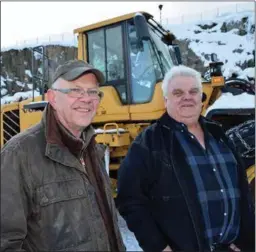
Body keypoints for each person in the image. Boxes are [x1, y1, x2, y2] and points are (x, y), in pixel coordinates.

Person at [116, 65, 255, 252]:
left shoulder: (218, 134)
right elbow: (130, 200)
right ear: (166, 100)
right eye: (178, 92)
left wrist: (245, 240)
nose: (187, 97)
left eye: (193, 91)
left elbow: (242, 192)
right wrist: (158, 246)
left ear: (201, 97)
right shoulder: (149, 143)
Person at [1, 60, 125, 251]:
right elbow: (6, 241)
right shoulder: (19, 155)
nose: (86, 99)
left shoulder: (93, 149)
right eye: (75, 90)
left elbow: (110, 227)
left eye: (93, 92)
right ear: (52, 97)